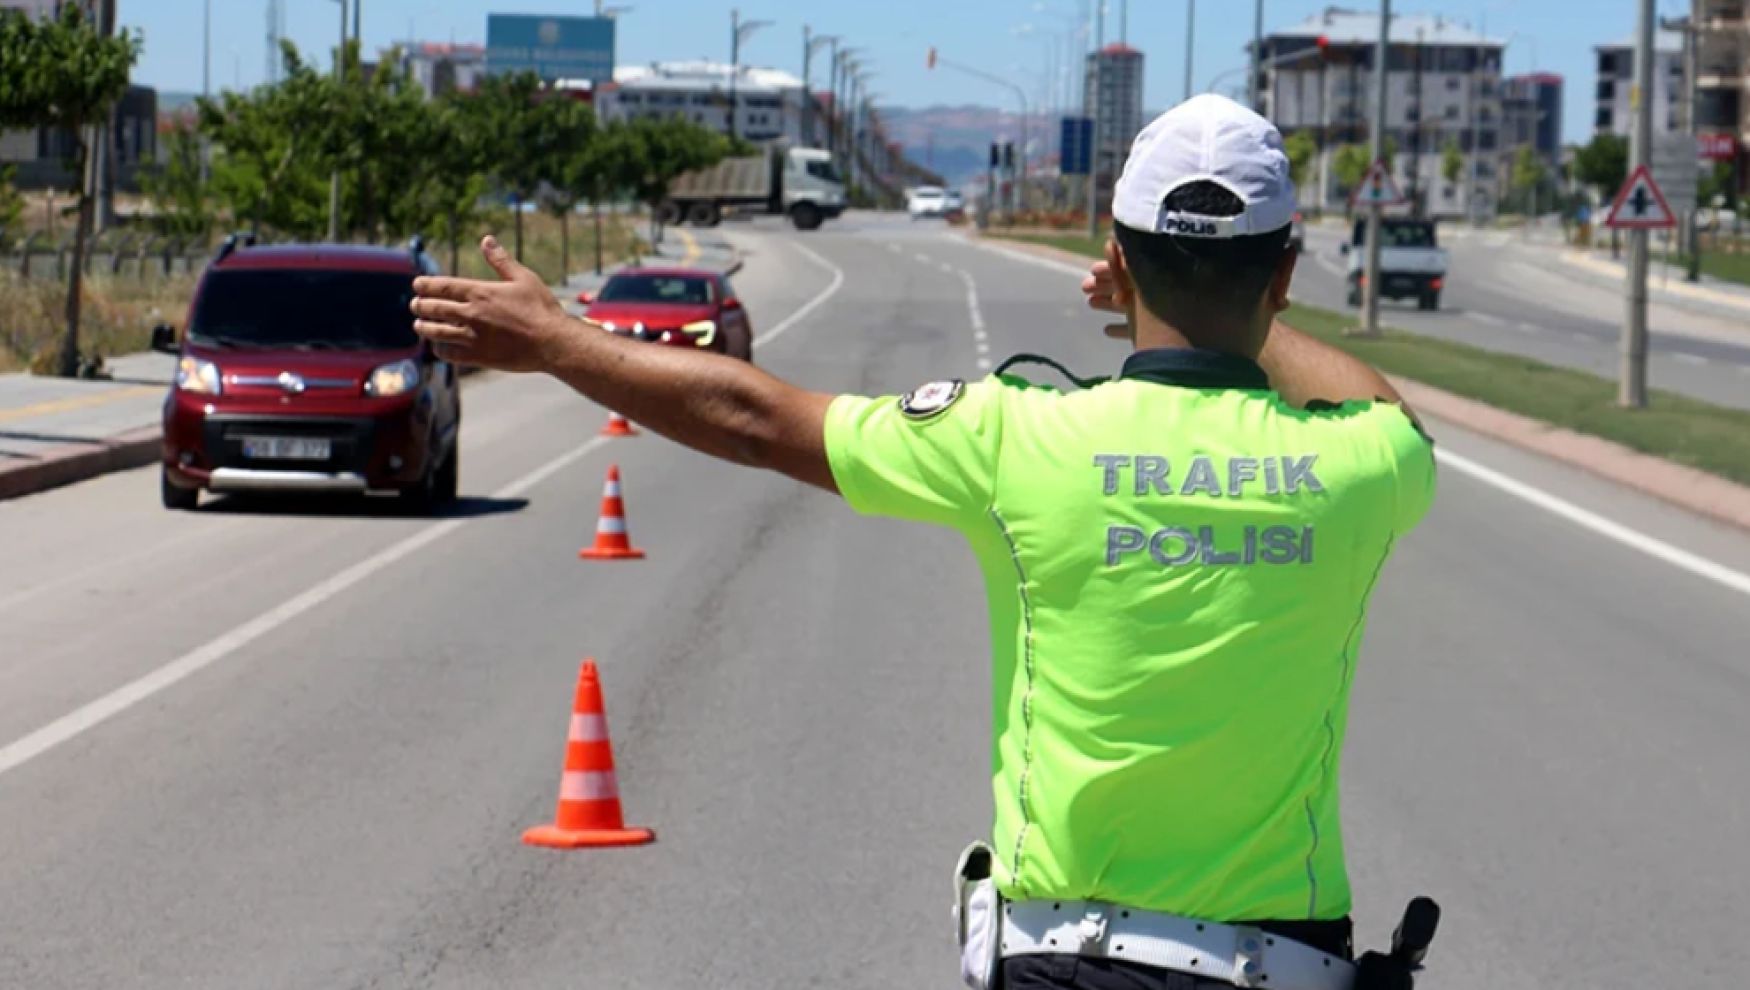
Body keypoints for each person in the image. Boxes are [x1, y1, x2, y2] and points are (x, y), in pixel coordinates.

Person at [409, 94, 1435, 990]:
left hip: (1065, 963)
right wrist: (1231, 313)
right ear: (1286, 272)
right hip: (1286, 965)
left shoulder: (1016, 437)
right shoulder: (1360, 468)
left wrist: (559, 342)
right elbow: (1382, 406)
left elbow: (760, 420)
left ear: (1114, 259)